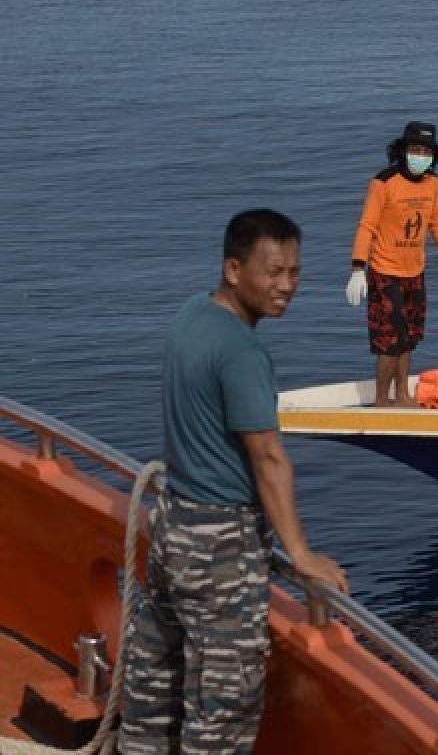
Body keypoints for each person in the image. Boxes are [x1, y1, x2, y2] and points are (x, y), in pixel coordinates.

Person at [120, 210, 348, 755]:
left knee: (153, 687)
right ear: (233, 268)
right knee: (223, 709)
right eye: (273, 272)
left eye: (294, 272)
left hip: (173, 526)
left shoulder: (190, 317)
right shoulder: (244, 352)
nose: (286, 286)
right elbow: (268, 456)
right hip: (219, 546)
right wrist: (300, 553)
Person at [345, 122, 438, 407]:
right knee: (389, 340)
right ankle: (381, 400)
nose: (420, 155)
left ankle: (402, 394)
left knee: (409, 336)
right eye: (414, 150)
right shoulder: (383, 183)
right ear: (403, 151)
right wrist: (358, 269)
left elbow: (437, 221)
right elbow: (367, 226)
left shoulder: (432, 184)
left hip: (415, 272)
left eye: (425, 151)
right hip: (385, 273)